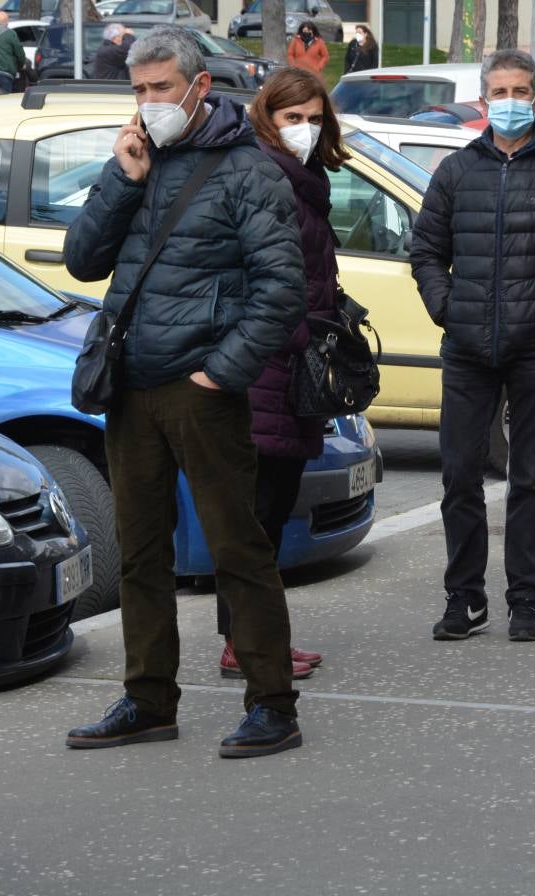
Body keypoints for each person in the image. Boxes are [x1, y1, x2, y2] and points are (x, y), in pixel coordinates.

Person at [63, 27, 308, 760]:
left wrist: (221, 372)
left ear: (198, 87)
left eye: (161, 88)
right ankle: (148, 700)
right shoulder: (138, 160)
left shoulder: (248, 170)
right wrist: (122, 177)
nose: (148, 103)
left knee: (238, 551)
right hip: (132, 386)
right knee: (139, 554)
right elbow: (82, 259)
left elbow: (282, 287)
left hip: (201, 389)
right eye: (138, 90)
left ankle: (272, 705)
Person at [410, 49, 535, 640]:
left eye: (520, 91)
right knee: (459, 477)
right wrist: (446, 308)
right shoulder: (455, 172)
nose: (510, 102)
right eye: (499, 92)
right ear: (482, 100)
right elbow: (425, 252)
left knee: (529, 477)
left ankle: (525, 599)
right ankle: (464, 599)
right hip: (466, 351)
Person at [216, 66, 349, 684]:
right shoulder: (264, 177)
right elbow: (260, 280)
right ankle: (244, 644)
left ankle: (255, 639)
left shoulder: (307, 178)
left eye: (313, 118)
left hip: (294, 365)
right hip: (270, 365)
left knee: (267, 513)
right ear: (266, 117)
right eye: (291, 117)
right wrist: (304, 336)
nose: (303, 129)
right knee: (258, 515)